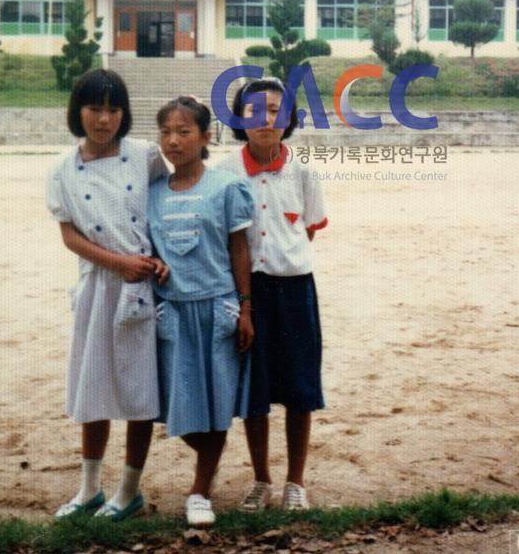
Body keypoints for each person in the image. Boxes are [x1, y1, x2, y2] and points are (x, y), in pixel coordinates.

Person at [45, 69, 169, 521]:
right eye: (95, 108)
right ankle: (89, 489)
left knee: (139, 390)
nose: (104, 119)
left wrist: (159, 258)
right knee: (93, 387)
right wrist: (117, 262)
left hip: (144, 288)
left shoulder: (145, 156)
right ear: (78, 111)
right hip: (99, 285)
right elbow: (69, 235)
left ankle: (128, 491)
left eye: (113, 109)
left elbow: (168, 206)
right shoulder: (62, 168)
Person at [219, 77, 327, 512]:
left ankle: (295, 482)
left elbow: (308, 231)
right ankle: (261, 478)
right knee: (255, 390)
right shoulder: (225, 174)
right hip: (249, 293)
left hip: (296, 290)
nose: (265, 119)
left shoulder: (303, 173)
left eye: (275, 110)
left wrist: (285, 264)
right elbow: (231, 239)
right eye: (253, 110)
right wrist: (245, 302)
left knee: (300, 386)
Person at [148, 95, 254, 528]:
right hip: (171, 313)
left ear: (206, 137)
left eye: (184, 132)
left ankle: (199, 491)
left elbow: (239, 249)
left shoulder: (226, 188)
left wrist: (246, 308)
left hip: (217, 311)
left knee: (216, 407)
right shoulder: (151, 194)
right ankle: (204, 472)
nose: (173, 141)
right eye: (166, 132)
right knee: (175, 407)